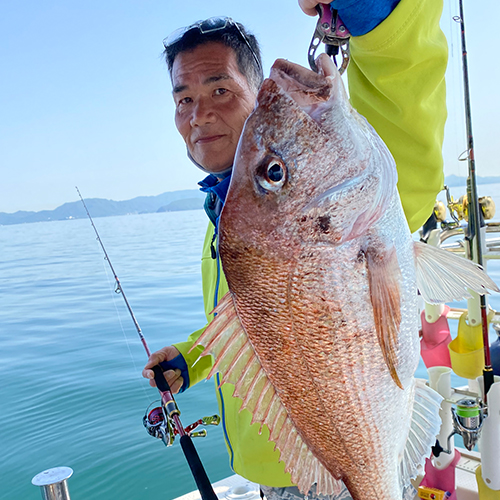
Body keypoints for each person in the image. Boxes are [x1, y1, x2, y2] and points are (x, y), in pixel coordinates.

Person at [143, 0, 448, 498]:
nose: (199, 114)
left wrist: (381, 14)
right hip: (274, 477)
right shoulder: (225, 212)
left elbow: (406, 107)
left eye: (220, 89)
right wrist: (193, 358)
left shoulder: (349, 196)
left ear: (254, 90)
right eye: (184, 99)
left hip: (336, 475)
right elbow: (258, 323)